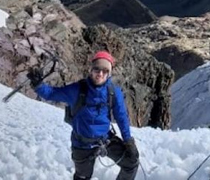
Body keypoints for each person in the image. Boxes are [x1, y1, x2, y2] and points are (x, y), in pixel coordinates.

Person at [30, 50, 140, 180]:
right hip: (82, 143)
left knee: (131, 163)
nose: (100, 74)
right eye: (97, 69)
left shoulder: (113, 92)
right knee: (82, 177)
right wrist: (38, 84)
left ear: (109, 74)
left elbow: (122, 118)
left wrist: (128, 142)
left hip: (105, 139)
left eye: (105, 71)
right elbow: (51, 93)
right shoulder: (77, 90)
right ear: (91, 70)